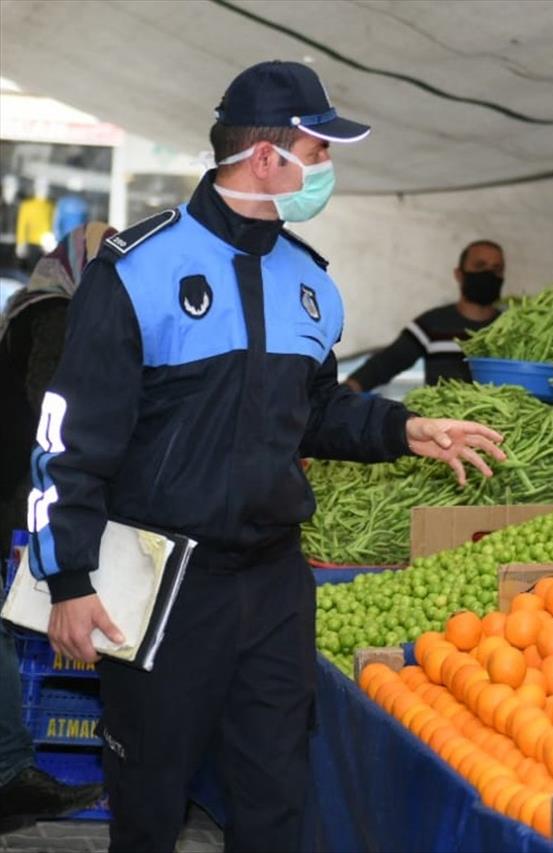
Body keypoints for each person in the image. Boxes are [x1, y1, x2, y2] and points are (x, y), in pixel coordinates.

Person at [26, 60, 505, 852]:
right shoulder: (138, 271)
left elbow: (313, 409)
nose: (327, 171)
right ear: (265, 157)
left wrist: (402, 429)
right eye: (318, 152)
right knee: (149, 803)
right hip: (162, 580)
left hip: (275, 582)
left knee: (275, 795)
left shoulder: (311, 283)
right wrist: (67, 580)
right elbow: (70, 436)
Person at [0, 225, 112, 833]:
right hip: (19, 495)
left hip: (19, 489)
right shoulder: (56, 315)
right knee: (6, 629)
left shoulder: (37, 308)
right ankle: (10, 774)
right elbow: (56, 414)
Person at [344, 239, 505, 390]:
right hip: (441, 419)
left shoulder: (511, 331)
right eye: (480, 266)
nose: (489, 274)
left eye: (496, 269)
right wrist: (341, 394)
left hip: (499, 420)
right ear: (459, 274)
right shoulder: (432, 324)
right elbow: (385, 364)